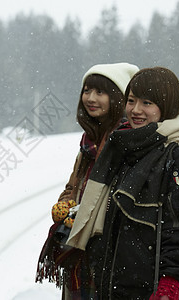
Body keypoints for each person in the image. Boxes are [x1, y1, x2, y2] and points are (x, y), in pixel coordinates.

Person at [65, 66, 179, 300]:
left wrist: (169, 283)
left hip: (146, 290)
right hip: (108, 287)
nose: (135, 110)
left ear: (167, 106)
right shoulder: (122, 147)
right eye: (131, 101)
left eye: (147, 103)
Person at [36, 62, 139, 300]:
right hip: (81, 248)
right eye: (87, 90)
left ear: (118, 98)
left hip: (105, 253)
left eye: (100, 92)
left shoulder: (124, 140)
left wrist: (83, 217)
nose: (90, 98)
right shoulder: (90, 140)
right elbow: (74, 185)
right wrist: (67, 205)